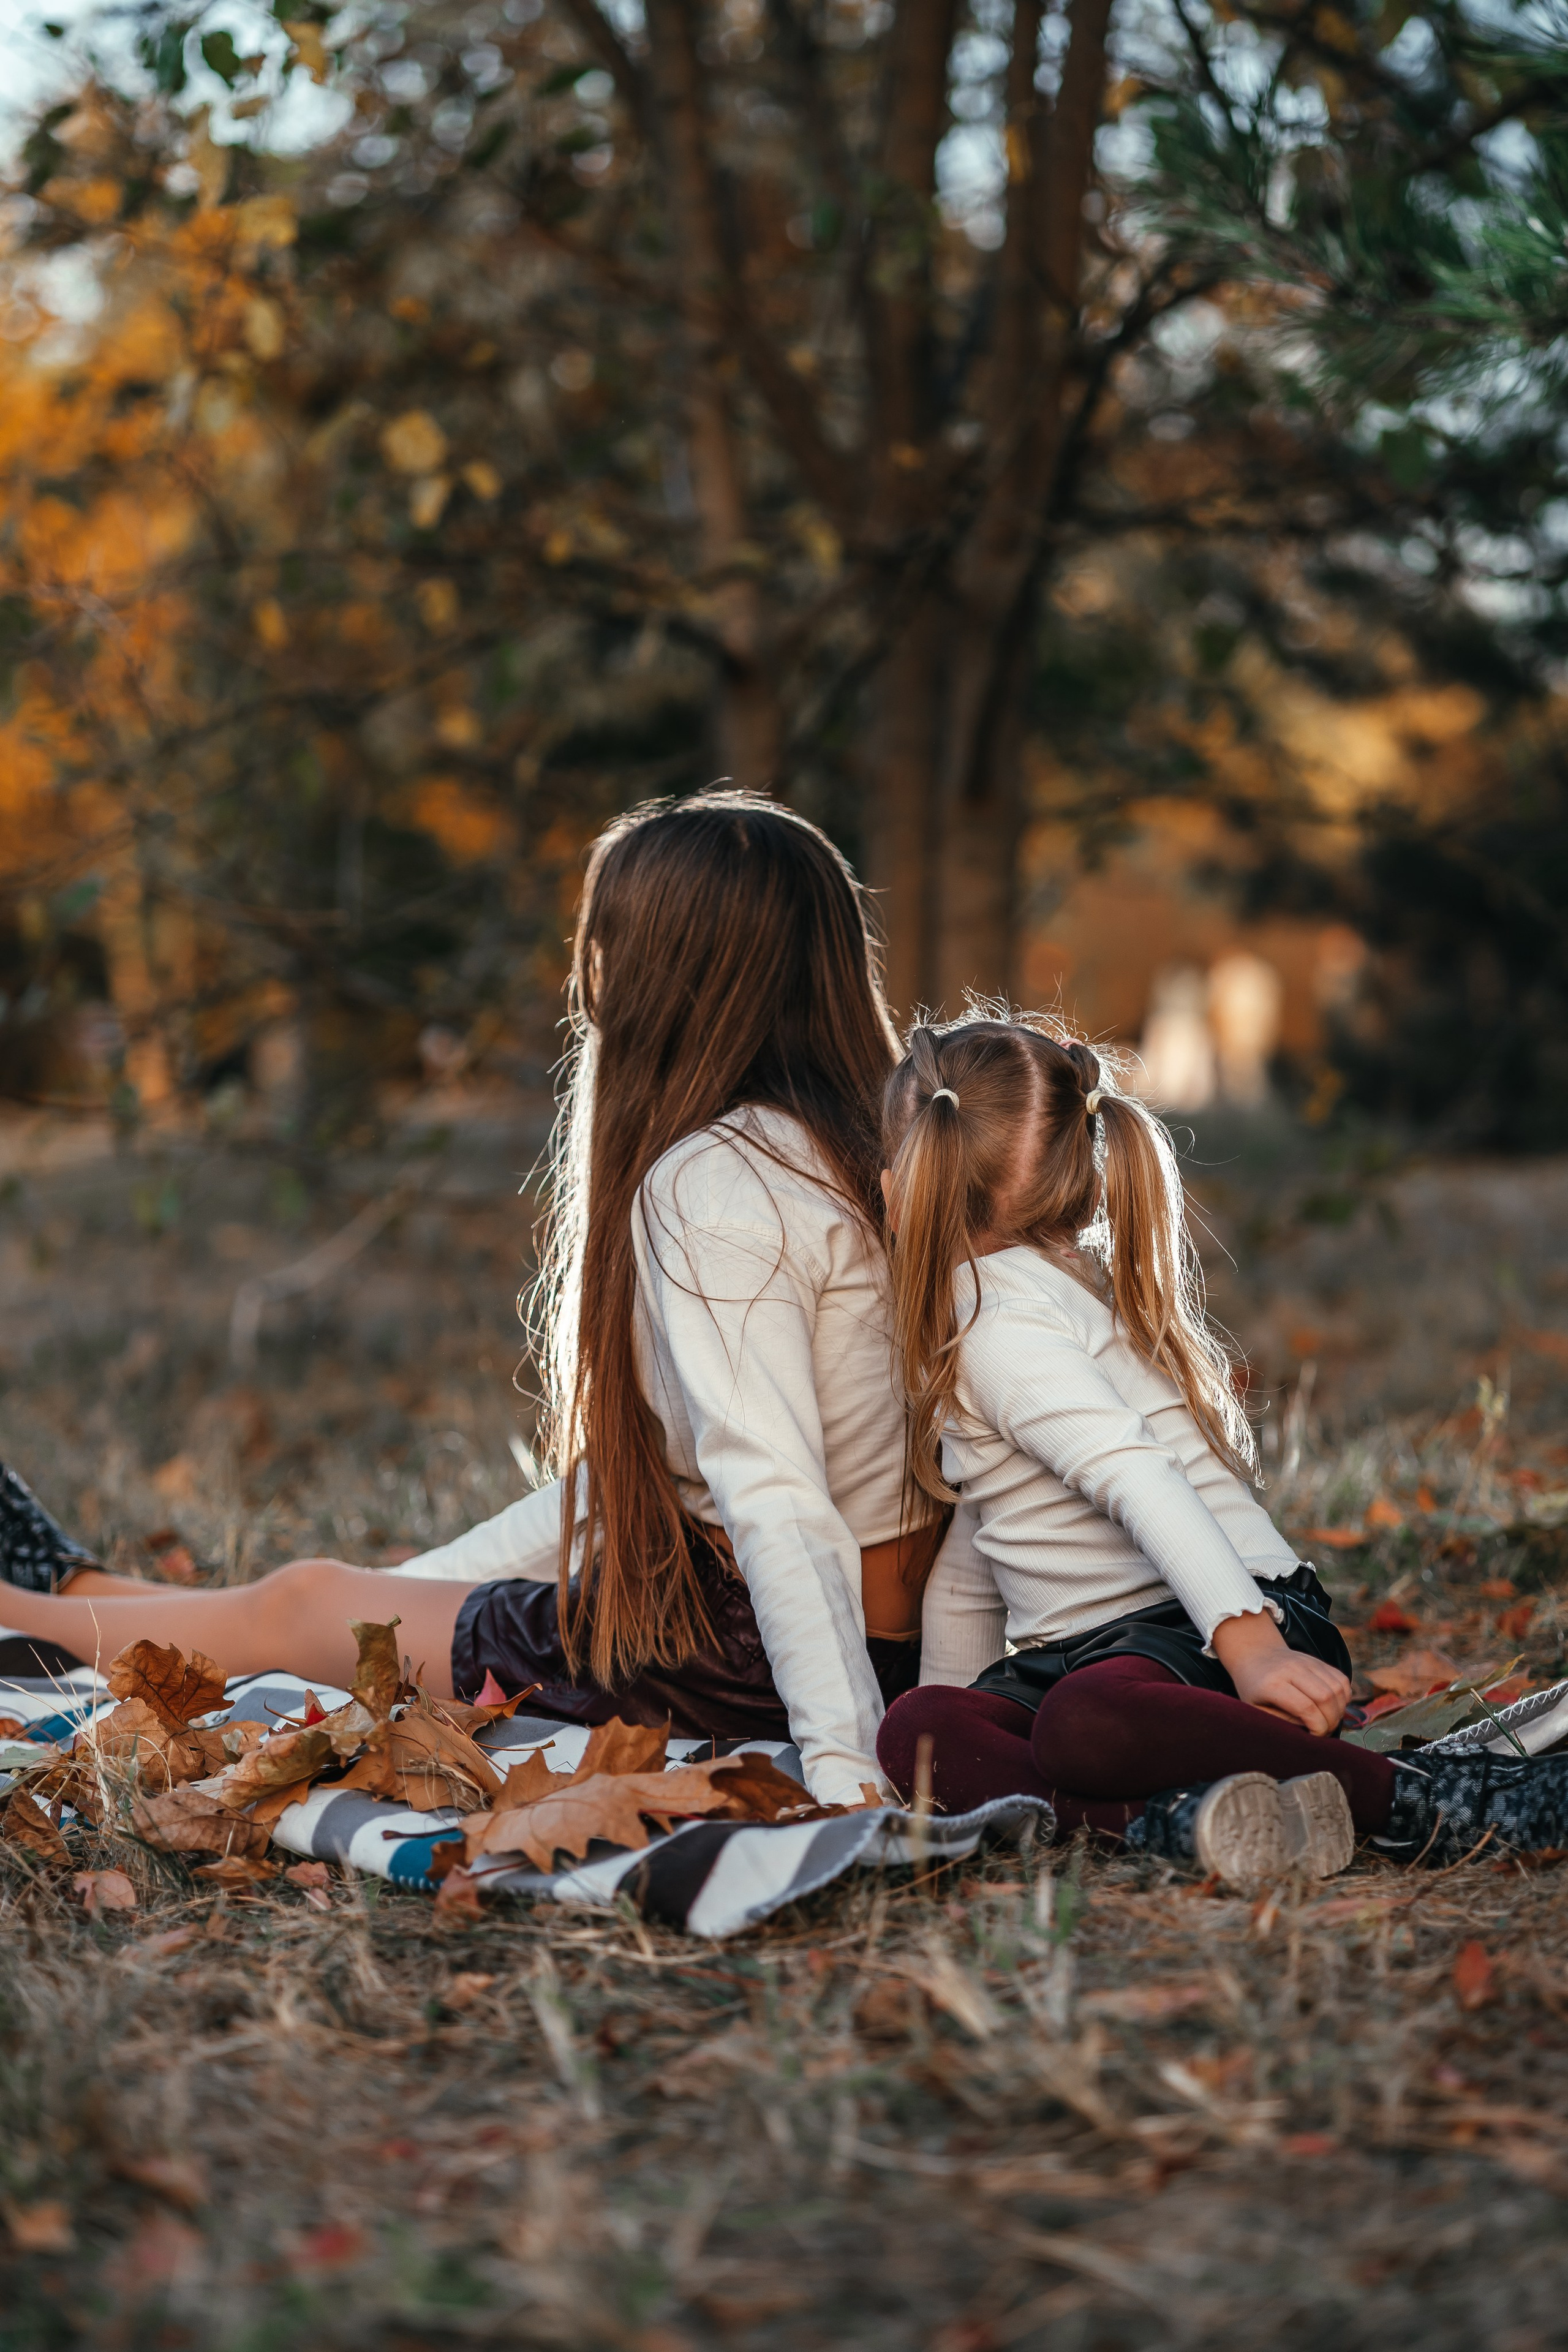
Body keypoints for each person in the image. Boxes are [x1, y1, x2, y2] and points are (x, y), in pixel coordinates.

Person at [0, 793, 951, 1807]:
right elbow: (643, 1496)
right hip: (833, 1630)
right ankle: (75, 1594)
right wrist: (408, 1593)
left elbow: (775, 1501)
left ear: (651, 980)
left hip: (758, 1652)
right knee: (316, 1604)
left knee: (305, 1605)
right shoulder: (875, 1154)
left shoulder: (720, 1183)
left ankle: (25, 1615)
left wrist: (849, 1767)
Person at [872, 1016, 1568, 1880]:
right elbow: (977, 1550)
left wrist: (1252, 1647)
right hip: (1097, 1654)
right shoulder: (993, 1303)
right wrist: (965, 1707)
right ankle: (1192, 1823)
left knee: (1087, 1722)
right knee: (918, 1731)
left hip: (1223, 1618)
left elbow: (1136, 1478)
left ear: (910, 1180)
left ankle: (1421, 1797)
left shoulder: (999, 1320)